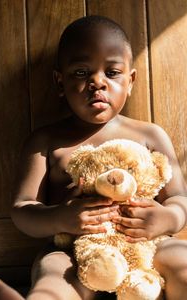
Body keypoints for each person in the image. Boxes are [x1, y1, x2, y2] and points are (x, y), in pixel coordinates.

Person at [9, 15, 187, 300]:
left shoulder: (149, 135)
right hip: (73, 252)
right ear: (59, 81)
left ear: (130, 81)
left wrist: (165, 218)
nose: (97, 82)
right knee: (52, 276)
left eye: (112, 73)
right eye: (81, 72)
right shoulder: (45, 142)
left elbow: (180, 198)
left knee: (183, 263)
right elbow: (22, 209)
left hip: (146, 244)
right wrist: (60, 218)